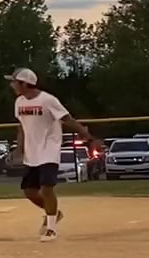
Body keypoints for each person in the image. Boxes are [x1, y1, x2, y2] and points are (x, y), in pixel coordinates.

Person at [7, 68, 96, 242]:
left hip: (49, 150)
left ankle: (51, 229)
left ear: (25, 83)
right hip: (32, 153)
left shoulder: (48, 100)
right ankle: (55, 213)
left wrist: (88, 137)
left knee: (46, 188)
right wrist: (19, 147)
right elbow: (21, 127)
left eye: (15, 82)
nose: (12, 85)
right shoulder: (19, 102)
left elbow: (68, 119)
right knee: (29, 191)